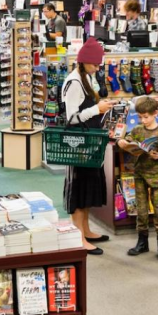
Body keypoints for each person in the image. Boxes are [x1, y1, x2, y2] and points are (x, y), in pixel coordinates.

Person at [62, 38, 115, 255]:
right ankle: (78, 236)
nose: (97, 68)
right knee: (80, 188)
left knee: (87, 187)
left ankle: (85, 229)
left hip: (89, 142)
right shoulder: (74, 83)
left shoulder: (86, 79)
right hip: (79, 144)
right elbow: (72, 117)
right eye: (94, 64)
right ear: (83, 62)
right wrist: (98, 109)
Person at [117, 97, 158, 262]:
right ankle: (142, 242)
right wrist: (123, 142)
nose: (143, 120)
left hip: (156, 176)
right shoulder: (137, 130)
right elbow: (128, 140)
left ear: (155, 113)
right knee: (141, 211)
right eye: (140, 117)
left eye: (146, 117)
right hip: (140, 174)